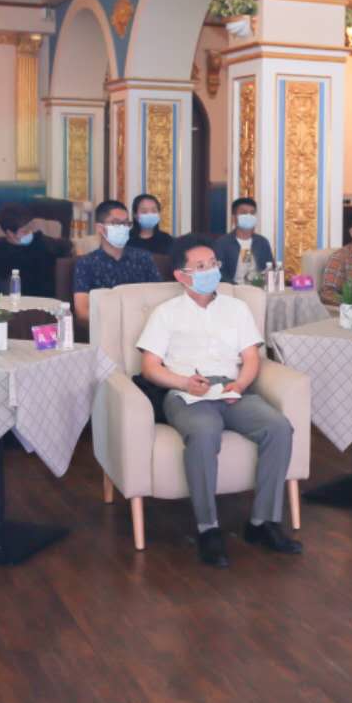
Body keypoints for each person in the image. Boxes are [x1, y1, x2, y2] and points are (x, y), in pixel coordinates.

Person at [135, 236, 300, 568]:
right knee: (204, 432)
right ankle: (208, 529)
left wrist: (240, 384)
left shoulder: (236, 308)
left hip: (231, 389)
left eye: (212, 264)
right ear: (181, 275)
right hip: (186, 392)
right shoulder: (165, 314)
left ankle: (263, 523)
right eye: (200, 266)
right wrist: (183, 382)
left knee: (278, 427)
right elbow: (149, 367)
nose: (210, 270)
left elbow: (251, 357)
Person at [73, 200, 161, 325]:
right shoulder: (86, 264)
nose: (123, 228)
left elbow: (159, 297)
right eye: (115, 223)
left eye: (126, 223)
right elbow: (82, 311)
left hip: (143, 325)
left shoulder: (144, 258)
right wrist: (114, 324)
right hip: (105, 327)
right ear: (100, 228)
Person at [0, 203, 61, 298]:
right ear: (10, 233)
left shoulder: (40, 242)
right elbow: (0, 287)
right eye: (25, 231)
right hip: (15, 300)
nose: (30, 233)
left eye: (31, 228)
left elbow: (65, 247)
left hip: (46, 300)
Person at [214, 197, 274, 284]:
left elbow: (270, 269)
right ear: (234, 217)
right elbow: (219, 273)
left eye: (252, 213)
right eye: (244, 213)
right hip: (232, 289)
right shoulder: (222, 243)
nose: (248, 216)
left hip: (258, 288)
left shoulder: (262, 242)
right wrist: (236, 287)